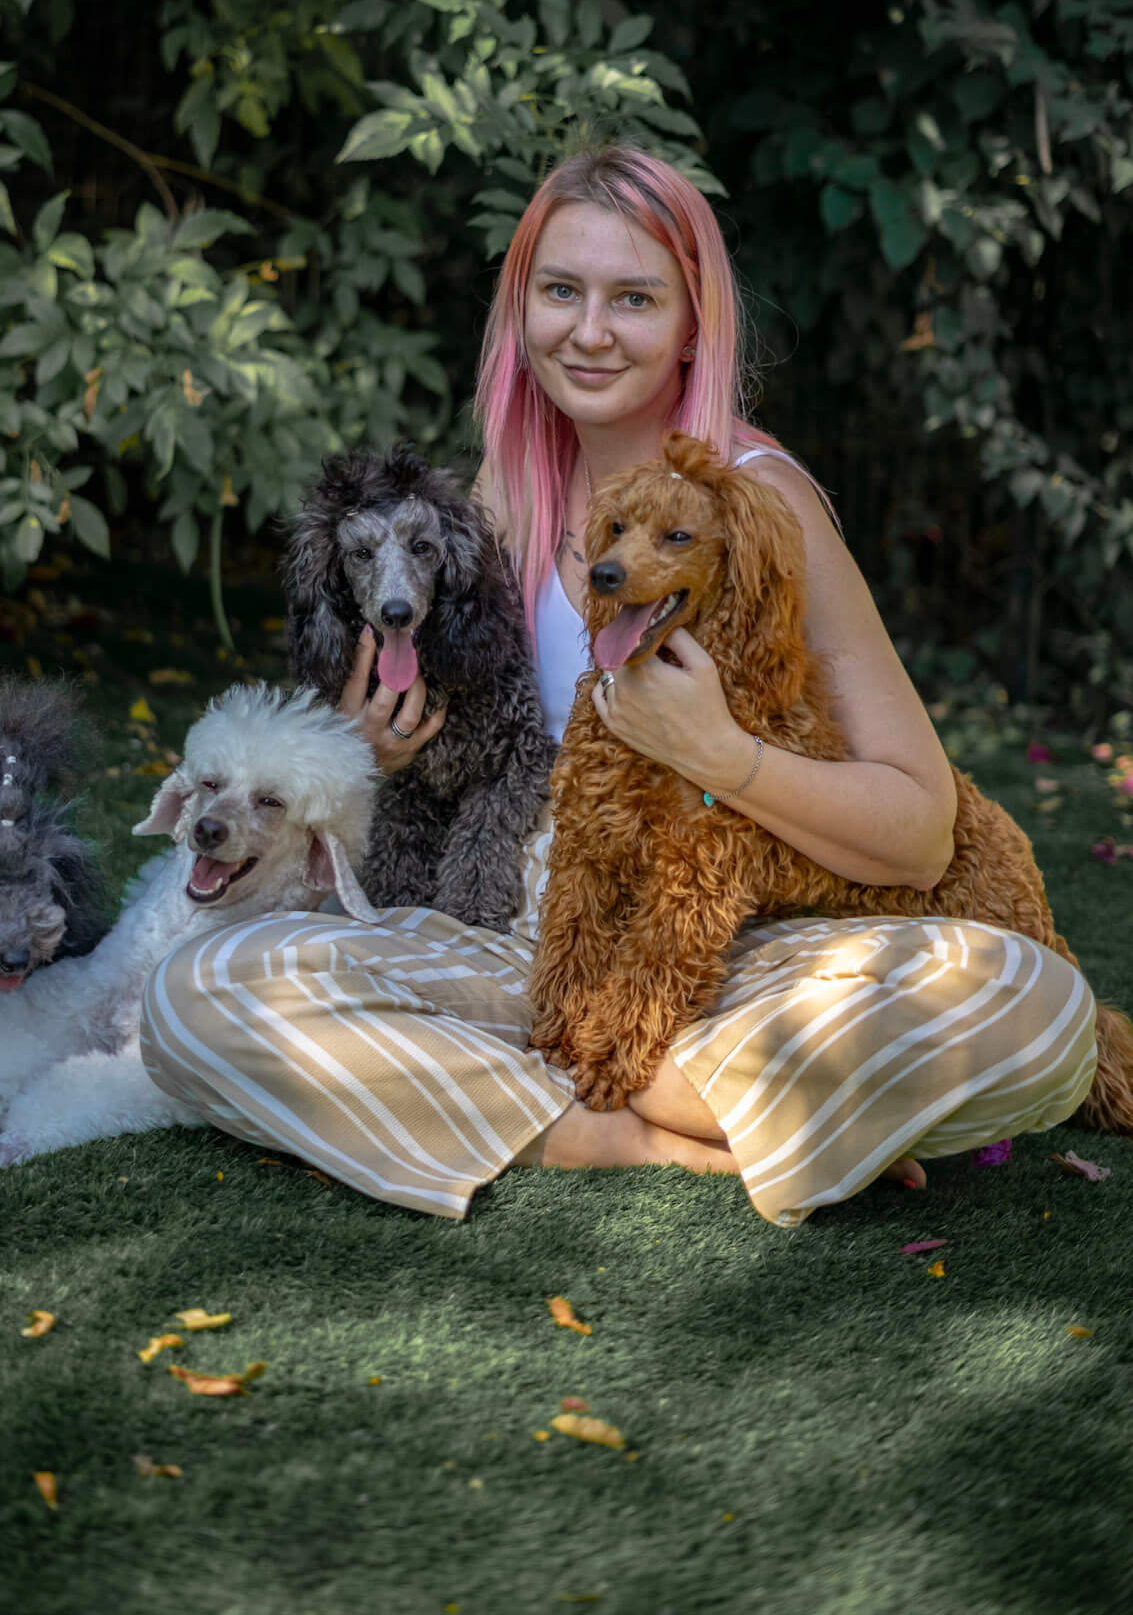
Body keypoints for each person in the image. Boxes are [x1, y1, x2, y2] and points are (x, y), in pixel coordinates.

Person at [139, 146, 1096, 1227]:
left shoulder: (759, 504)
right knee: (195, 997)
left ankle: (543, 1086)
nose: (589, 331)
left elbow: (922, 828)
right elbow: (451, 783)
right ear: (523, 310)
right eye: (561, 291)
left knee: (1036, 1007)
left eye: (633, 297)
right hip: (515, 941)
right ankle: (638, 1129)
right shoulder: (501, 498)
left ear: (693, 322)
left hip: (734, 950)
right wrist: (379, 750)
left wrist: (722, 755)